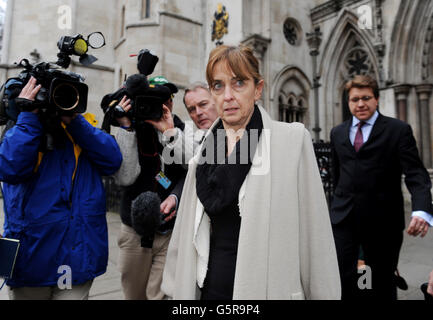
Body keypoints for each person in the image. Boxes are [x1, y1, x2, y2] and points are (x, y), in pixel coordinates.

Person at [161, 45, 341, 300]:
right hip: (210, 288)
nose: (227, 96)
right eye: (218, 85)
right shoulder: (204, 152)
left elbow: (315, 239)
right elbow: (185, 235)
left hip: (267, 288)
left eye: (239, 83)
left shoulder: (290, 140)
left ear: (257, 88)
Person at [0, 76, 122, 300]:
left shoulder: (82, 129)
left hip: (77, 256)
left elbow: (113, 160)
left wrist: (75, 121)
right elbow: (10, 168)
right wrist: (29, 115)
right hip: (31, 259)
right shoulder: (19, 129)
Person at [330, 75, 433, 300]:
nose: (360, 104)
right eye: (354, 99)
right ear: (348, 102)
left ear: (376, 99)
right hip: (344, 223)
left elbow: (416, 174)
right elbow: (337, 176)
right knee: (347, 281)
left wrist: (422, 210)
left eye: (366, 98)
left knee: (379, 285)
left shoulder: (398, 130)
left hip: (382, 225)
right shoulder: (337, 133)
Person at [113, 76, 187, 300]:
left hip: (168, 231)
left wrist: (168, 133)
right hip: (135, 231)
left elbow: (188, 172)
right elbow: (125, 178)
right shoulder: (132, 126)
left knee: (162, 296)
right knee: (134, 295)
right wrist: (126, 128)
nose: (164, 104)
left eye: (168, 98)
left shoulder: (178, 127)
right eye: (155, 99)